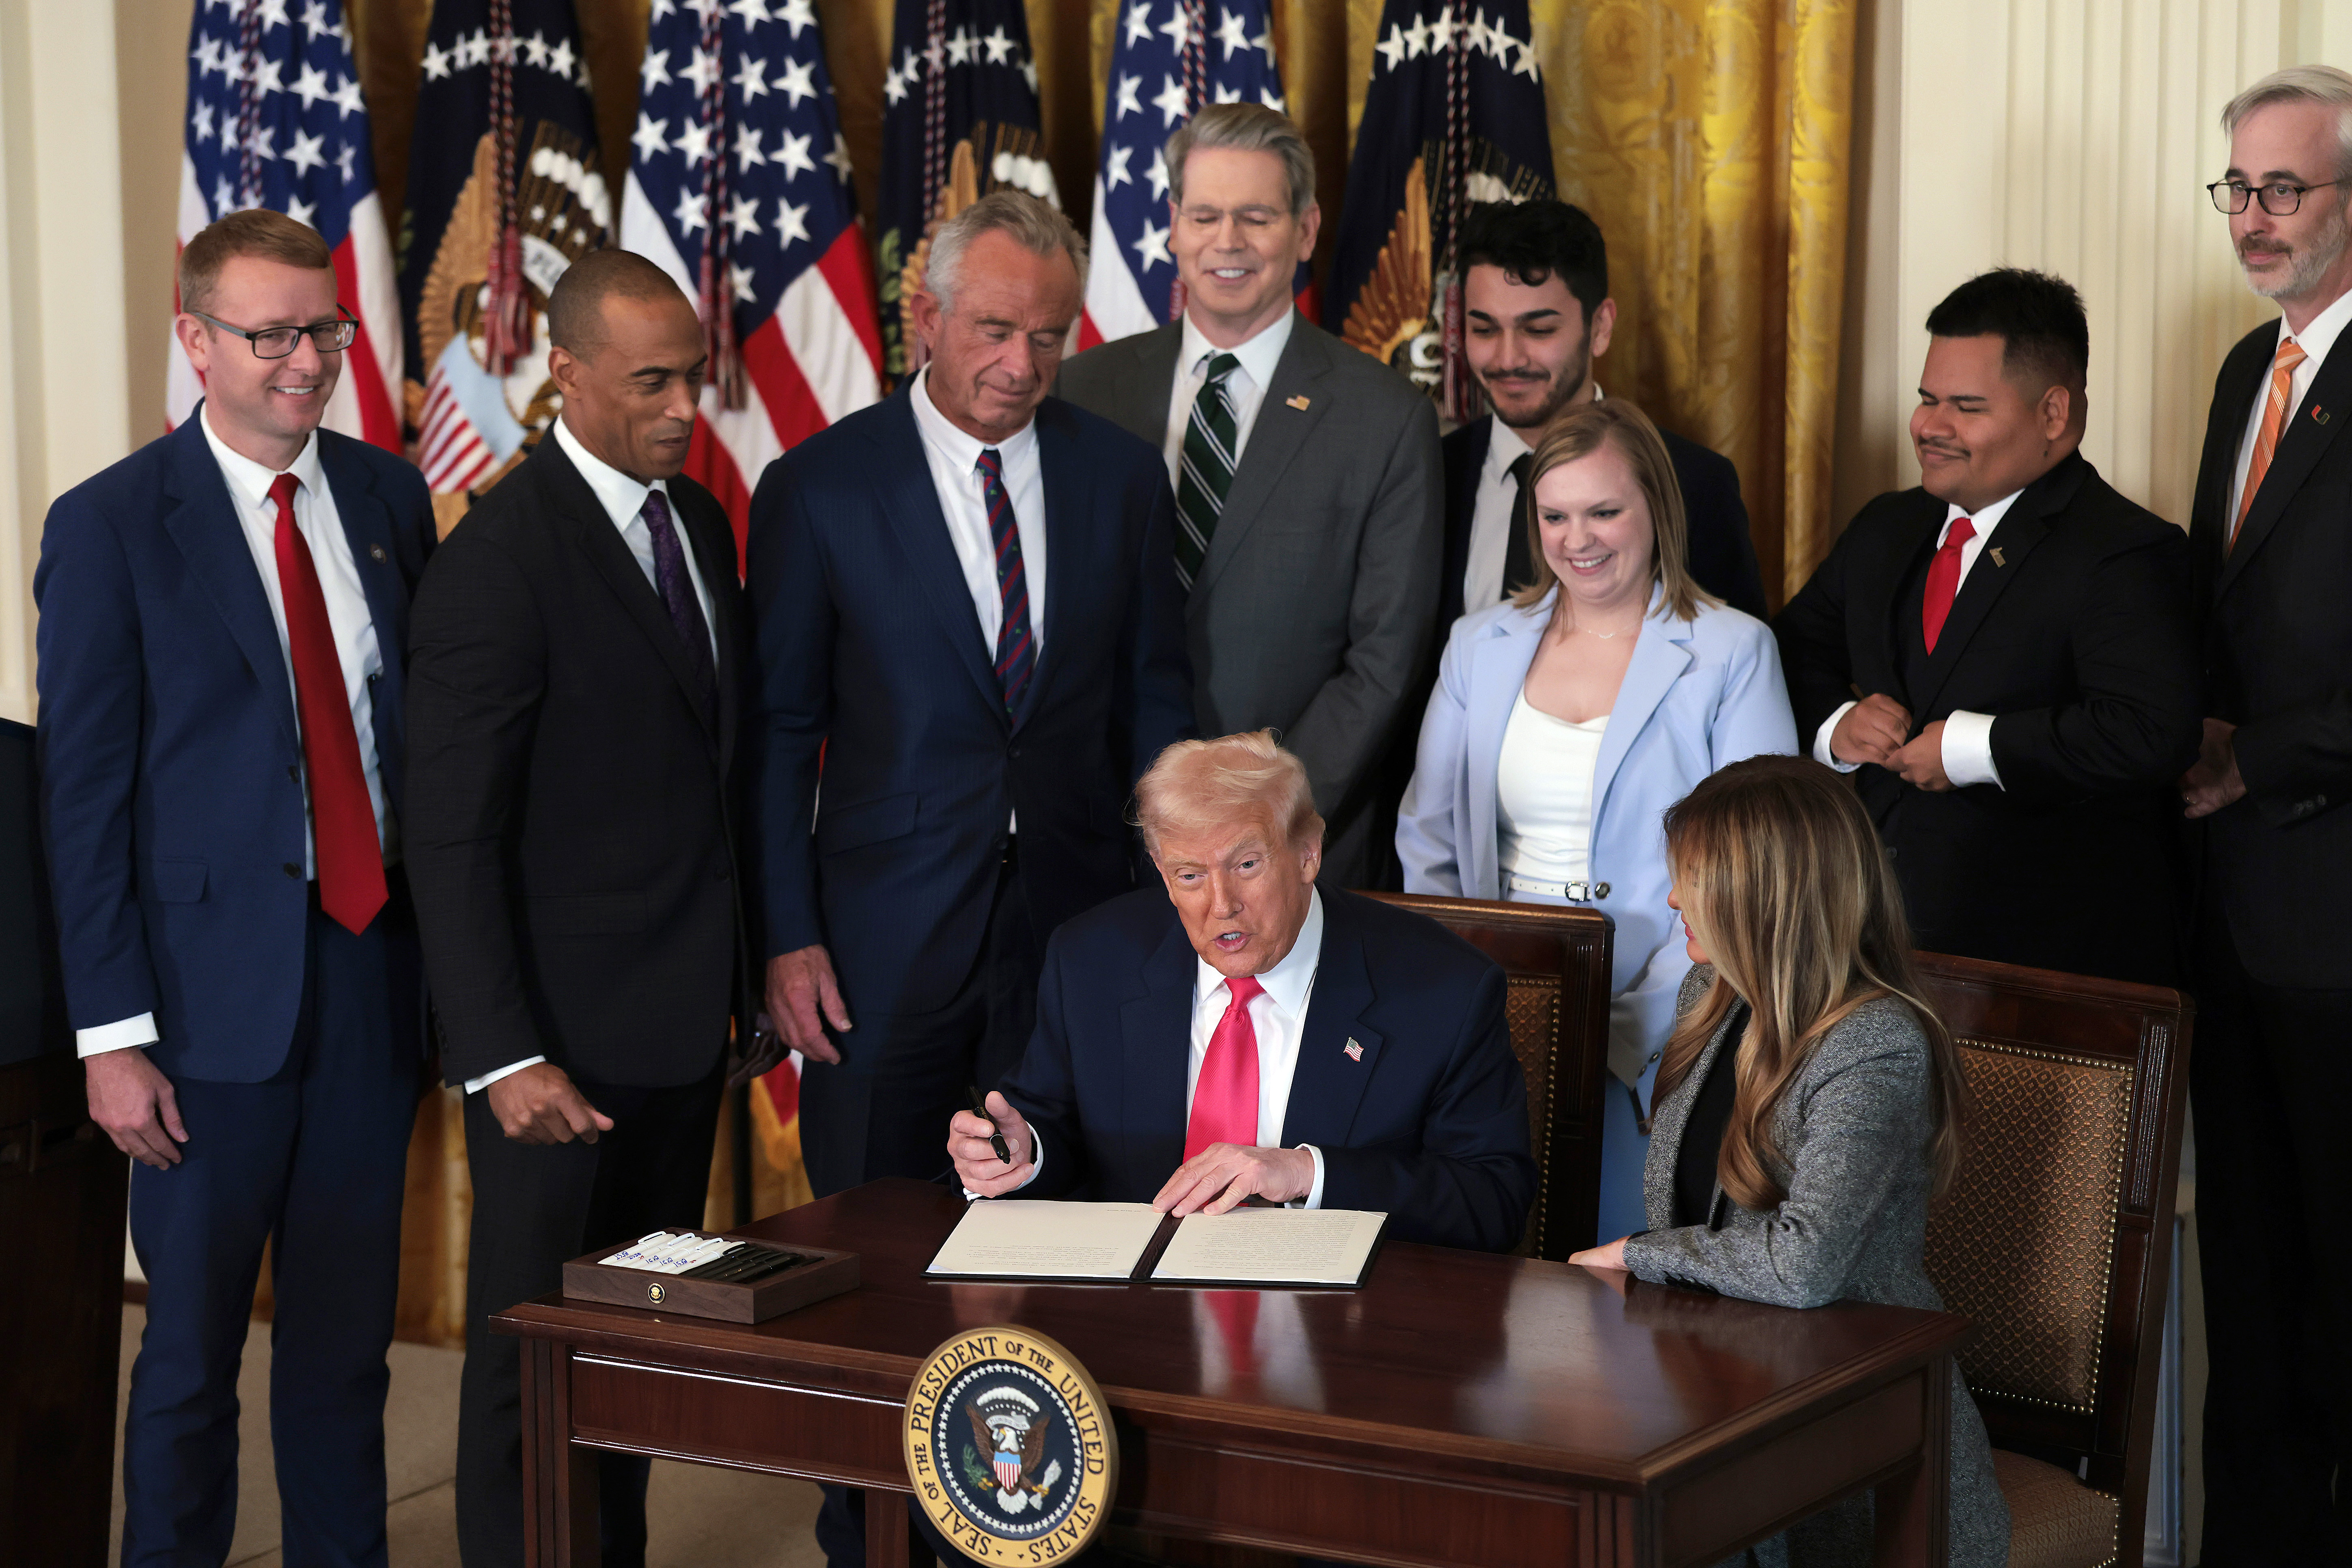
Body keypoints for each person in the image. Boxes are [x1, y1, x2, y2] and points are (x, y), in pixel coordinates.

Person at [34, 209, 433, 1566]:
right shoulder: (108, 527)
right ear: (195, 340)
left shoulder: (388, 499)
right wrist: (112, 1036)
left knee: (344, 1355)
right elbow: (80, 800)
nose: (305, 362)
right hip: (202, 1022)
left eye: (322, 329)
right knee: (193, 1359)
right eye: (270, 335)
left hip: (370, 984)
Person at [403, 250, 757, 1568]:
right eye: (652, 381)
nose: (683, 407)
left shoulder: (702, 526)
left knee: (629, 1356)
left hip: (683, 1036)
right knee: (529, 1373)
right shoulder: (498, 561)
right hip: (554, 1054)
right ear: (565, 373)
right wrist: (501, 1053)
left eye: (695, 377)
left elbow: (713, 783)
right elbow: (452, 832)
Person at [750, 189, 1193, 1201]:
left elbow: (1155, 703)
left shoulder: (1119, 478)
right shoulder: (819, 488)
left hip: (1077, 929)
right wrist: (786, 933)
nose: (1020, 366)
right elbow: (776, 737)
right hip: (876, 943)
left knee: (1067, 1225)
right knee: (873, 1227)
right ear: (927, 316)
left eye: (1047, 337)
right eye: (994, 330)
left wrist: (1162, 901)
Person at [1569, 754, 2009, 1568]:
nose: (1671, 899)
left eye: (1691, 879)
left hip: (1858, 1446)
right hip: (1711, 1400)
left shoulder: (1874, 1041)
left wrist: (1637, 1253)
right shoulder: (1708, 993)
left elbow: (1802, 1264)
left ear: (1762, 893)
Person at [1396, 398, 1794, 1242]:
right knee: (1478, 1279)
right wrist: (1469, 1000)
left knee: (1613, 1292)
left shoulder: (1731, 650)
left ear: (1655, 504)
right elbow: (1427, 840)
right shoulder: (1479, 642)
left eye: (1603, 511)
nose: (1577, 538)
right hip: (1489, 1013)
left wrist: (1625, 1031)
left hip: (1667, 1032)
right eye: (1554, 515)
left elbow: (1750, 871)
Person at [1054, 103, 1443, 888]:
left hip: (1293, 850)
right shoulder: (1082, 389)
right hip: (1096, 835)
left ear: (1304, 231)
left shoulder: (1386, 416)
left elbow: (1383, 661)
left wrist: (1263, 815)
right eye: (1205, 215)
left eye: (1256, 217)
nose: (1226, 241)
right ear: (1172, 225)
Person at [1775, 267, 2200, 985]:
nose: (1930, 427)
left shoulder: (2125, 549)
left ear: (2054, 414)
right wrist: (1837, 724)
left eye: (1966, 406)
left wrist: (1974, 747)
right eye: (1926, 399)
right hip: (1868, 949)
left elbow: (2151, 730)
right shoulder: (1888, 525)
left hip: (2043, 974)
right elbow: (1785, 650)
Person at [952, 730, 1535, 1253]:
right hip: (1138, 1326)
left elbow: (1491, 1201)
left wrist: (1307, 1173)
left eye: (1247, 864)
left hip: (1336, 1335)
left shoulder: (1443, 988)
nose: (1220, 903)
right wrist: (1022, 1154)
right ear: (1159, 871)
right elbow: (1051, 1127)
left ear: (1307, 851)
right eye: (1189, 875)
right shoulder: (1092, 960)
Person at [2182, 65, 2352, 1566]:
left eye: (2281, 189)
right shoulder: (2248, 367)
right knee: (2242, 1285)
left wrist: (2261, 758)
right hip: (2222, 916)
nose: (2250, 216)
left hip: (2335, 919)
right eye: (2235, 187)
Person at [1442, 198, 1768, 625]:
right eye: (1483, 329)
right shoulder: (1431, 474)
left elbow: (1737, 663)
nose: (1507, 358)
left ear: (1600, 327)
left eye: (1538, 330)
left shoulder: (1694, 483)